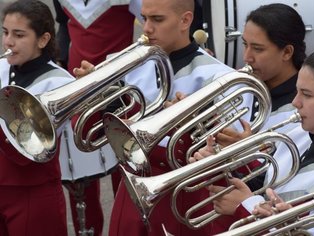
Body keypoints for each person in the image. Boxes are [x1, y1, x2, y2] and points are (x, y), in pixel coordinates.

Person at [100, 0, 237, 235]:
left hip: (184, 196)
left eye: (157, 20)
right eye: (145, 18)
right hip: (132, 188)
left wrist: (193, 124)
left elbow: (226, 152)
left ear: (185, 20)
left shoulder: (218, 76)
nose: (147, 28)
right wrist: (97, 92)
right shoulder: (131, 65)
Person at [190, 4, 311, 233]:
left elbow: (283, 187)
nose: (246, 57)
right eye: (245, 45)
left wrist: (245, 154)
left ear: (287, 52)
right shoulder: (241, 87)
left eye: (257, 49)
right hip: (216, 211)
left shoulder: (305, 112)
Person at [210, 47, 314, 235]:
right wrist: (220, 165)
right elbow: (264, 182)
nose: (295, 102)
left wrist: (247, 206)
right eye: (297, 91)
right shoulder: (299, 134)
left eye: (307, 94)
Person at [53, 1, 136, 235]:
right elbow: (63, 24)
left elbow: (158, 20)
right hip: (79, 88)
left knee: (126, 174)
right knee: (81, 174)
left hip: (120, 89)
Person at [0, 1, 75, 235]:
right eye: (5, 32)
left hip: (32, 194)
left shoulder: (60, 83)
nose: (8, 42)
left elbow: (28, 149)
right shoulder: (2, 67)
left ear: (43, 40)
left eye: (18, 35)